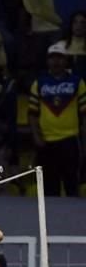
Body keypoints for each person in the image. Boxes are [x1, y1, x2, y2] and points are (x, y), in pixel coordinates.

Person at [28, 42, 86, 197]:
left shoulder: (77, 82)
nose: (56, 62)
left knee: (72, 185)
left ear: (66, 60)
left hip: (70, 140)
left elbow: (84, 113)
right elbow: (32, 114)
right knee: (49, 187)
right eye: (52, 58)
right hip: (46, 143)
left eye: (59, 58)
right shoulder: (39, 83)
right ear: (47, 60)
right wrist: (36, 136)